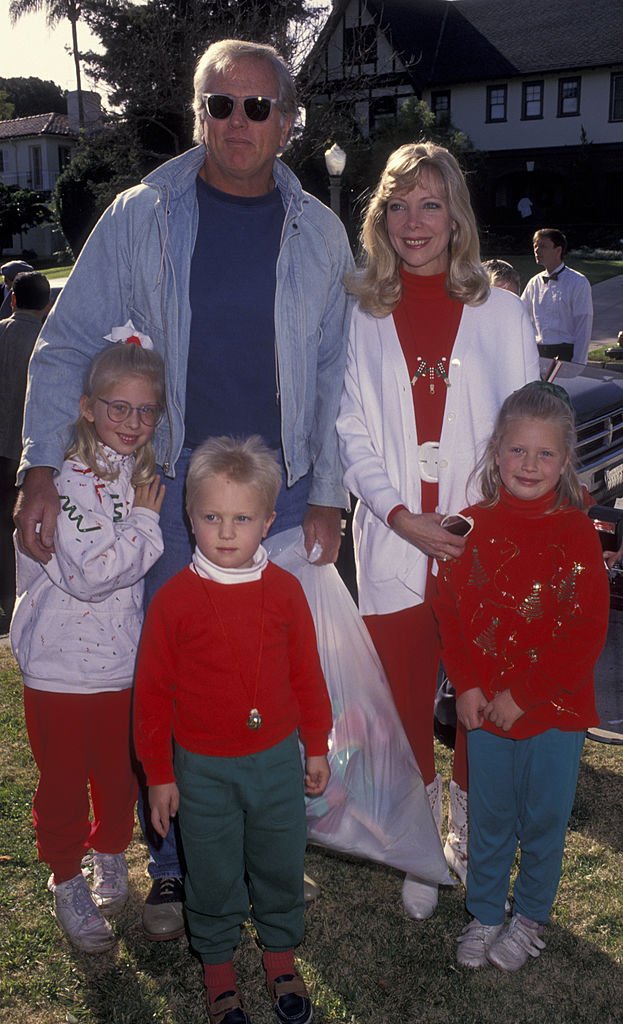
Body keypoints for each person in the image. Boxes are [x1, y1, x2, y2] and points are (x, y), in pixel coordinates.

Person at [14, 38, 353, 940]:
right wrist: (40, 464)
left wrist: (332, 494)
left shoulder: (320, 231)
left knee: (272, 682)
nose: (236, 123)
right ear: (197, 111)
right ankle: (172, 865)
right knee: (174, 682)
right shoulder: (142, 216)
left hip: (283, 495)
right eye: (219, 104)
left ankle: (260, 851)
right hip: (165, 497)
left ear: (286, 121)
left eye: (256, 107)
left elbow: (335, 371)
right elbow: (70, 339)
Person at [336, 141, 540, 920]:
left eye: (429, 204)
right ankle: (418, 838)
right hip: (393, 535)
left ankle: (463, 826)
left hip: (478, 539)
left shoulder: (496, 307)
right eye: (397, 204)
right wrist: (398, 515)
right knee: (401, 693)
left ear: (454, 215)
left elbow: (522, 427)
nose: (413, 222)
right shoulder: (362, 308)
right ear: (378, 217)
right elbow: (347, 425)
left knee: (478, 698)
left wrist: (478, 523)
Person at [133, 435, 331, 1024]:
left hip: (274, 760)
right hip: (202, 768)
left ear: (268, 521)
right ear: (189, 517)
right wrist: (159, 776)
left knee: (278, 858)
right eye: (211, 516)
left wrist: (315, 745)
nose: (225, 532)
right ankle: (218, 966)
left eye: (241, 518)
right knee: (213, 869)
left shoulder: (287, 592)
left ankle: (280, 953)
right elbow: (150, 699)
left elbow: (307, 675)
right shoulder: (173, 602)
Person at [434, 381, 609, 972]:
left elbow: (584, 631)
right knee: (490, 820)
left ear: (564, 462)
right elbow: (449, 613)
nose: (529, 465)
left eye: (545, 454)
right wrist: (470, 686)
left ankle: (530, 914)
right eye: (517, 451)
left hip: (555, 713)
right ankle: (485, 913)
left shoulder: (579, 532)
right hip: (484, 710)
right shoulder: (468, 528)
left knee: (541, 822)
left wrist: (526, 694)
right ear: (495, 452)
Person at [10, 342, 165, 953]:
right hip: (60, 671)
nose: (131, 422)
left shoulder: (135, 474)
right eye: (118, 408)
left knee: (119, 777)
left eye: (145, 411)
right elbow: (92, 572)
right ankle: (67, 877)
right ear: (86, 409)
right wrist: (146, 527)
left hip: (120, 667)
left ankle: (108, 857)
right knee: (64, 784)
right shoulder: (67, 481)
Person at [0, 271, 50, 630]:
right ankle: (20, 597)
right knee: (26, 526)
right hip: (28, 451)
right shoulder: (49, 342)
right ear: (46, 303)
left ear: (14, 299)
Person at [521, 228, 593, 363]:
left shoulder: (578, 282)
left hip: (565, 354)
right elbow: (520, 315)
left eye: (543, 246)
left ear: (558, 250)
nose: (537, 250)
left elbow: (584, 324)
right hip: (538, 354)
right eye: (535, 246)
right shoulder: (534, 283)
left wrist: (578, 361)